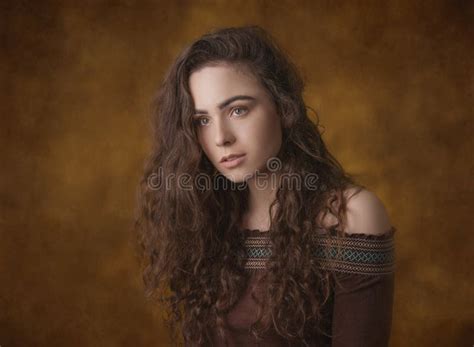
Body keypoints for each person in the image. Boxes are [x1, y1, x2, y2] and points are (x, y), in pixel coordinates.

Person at [134, 25, 397, 347]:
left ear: (283, 106)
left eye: (238, 110)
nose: (220, 137)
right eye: (201, 120)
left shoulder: (349, 217)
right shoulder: (206, 219)